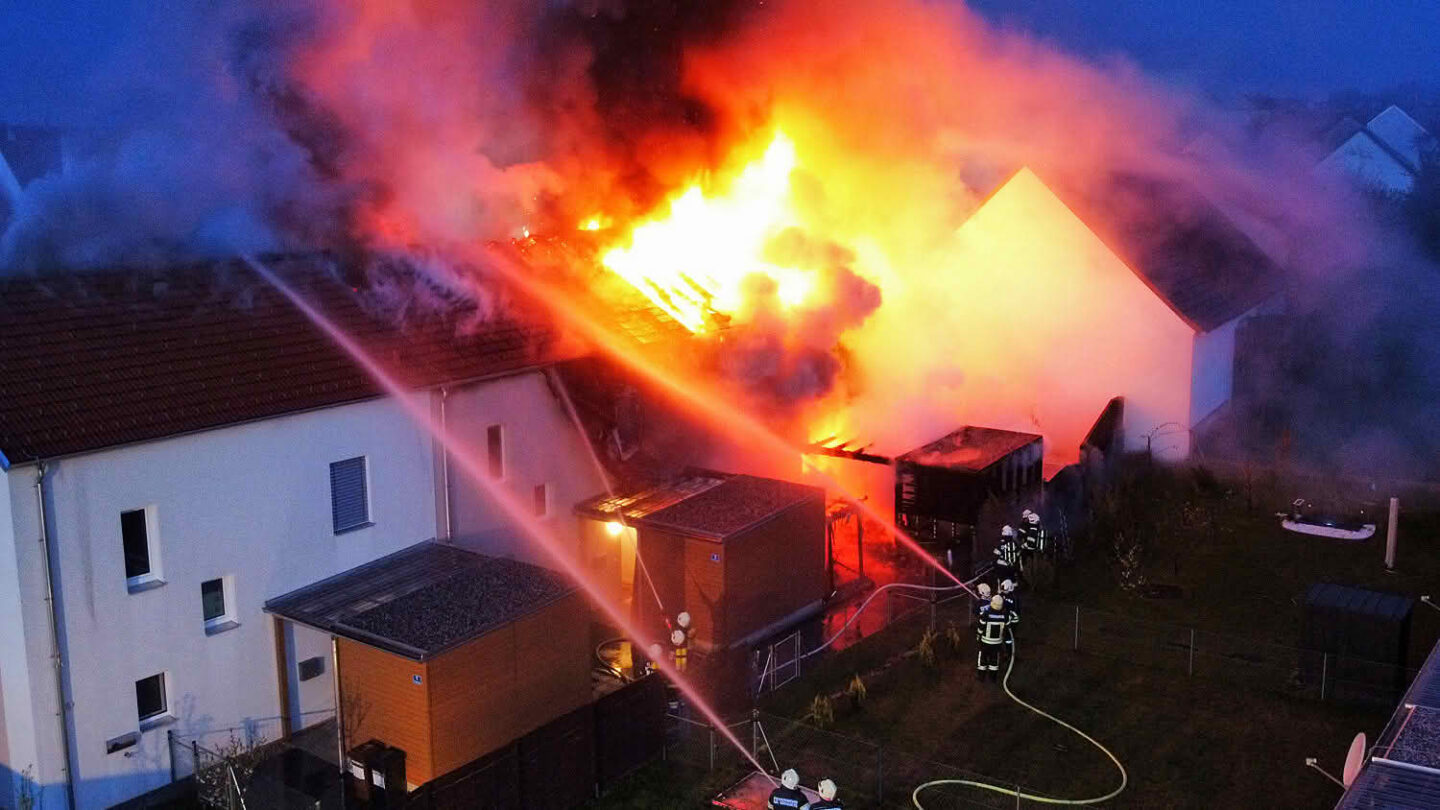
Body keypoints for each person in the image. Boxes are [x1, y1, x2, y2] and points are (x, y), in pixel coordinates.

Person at [975, 594, 1013, 682]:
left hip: (985, 642)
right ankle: (993, 678)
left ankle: (981, 677)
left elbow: (981, 627)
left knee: (982, 659)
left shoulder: (986, 614)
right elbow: (1007, 628)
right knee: (994, 660)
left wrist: (978, 636)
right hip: (997, 643)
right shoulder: (1005, 616)